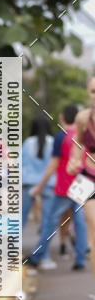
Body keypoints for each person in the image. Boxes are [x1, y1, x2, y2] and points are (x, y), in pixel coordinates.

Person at [28, 104, 87, 273]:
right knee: (80, 223)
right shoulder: (84, 136)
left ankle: (37, 256)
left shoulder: (61, 137)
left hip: (64, 185)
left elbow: (53, 164)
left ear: (62, 117)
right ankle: (80, 259)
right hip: (82, 183)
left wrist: (40, 185)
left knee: (50, 222)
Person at [68, 76, 95, 300]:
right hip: (90, 178)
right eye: (93, 91)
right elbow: (78, 142)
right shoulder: (83, 118)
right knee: (94, 236)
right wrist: (74, 159)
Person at [21, 114, 55, 232]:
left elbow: (19, 164)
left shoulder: (27, 143)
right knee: (47, 220)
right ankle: (43, 250)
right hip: (49, 184)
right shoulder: (53, 142)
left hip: (29, 184)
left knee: (21, 218)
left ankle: (12, 246)